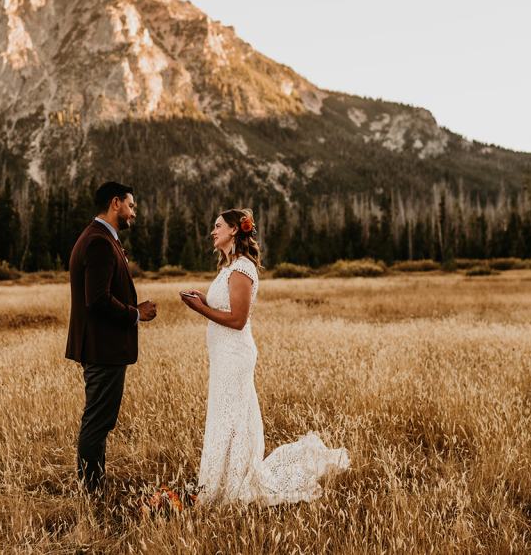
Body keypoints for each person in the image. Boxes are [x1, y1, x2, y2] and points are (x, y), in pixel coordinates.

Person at [180, 208, 350, 505]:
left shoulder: (243, 269)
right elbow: (225, 307)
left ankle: (235, 483)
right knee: (225, 418)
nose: (212, 231)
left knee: (233, 419)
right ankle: (218, 481)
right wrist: (206, 300)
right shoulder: (227, 267)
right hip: (223, 357)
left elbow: (237, 320)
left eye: (218, 226)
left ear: (234, 230)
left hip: (235, 356)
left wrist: (199, 309)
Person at [65, 181, 157, 493]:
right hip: (102, 348)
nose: (134, 213)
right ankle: (91, 489)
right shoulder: (99, 242)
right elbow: (98, 299)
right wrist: (135, 313)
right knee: (97, 422)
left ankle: (93, 483)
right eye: (131, 206)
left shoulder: (101, 238)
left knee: (100, 420)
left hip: (101, 347)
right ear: (115, 203)